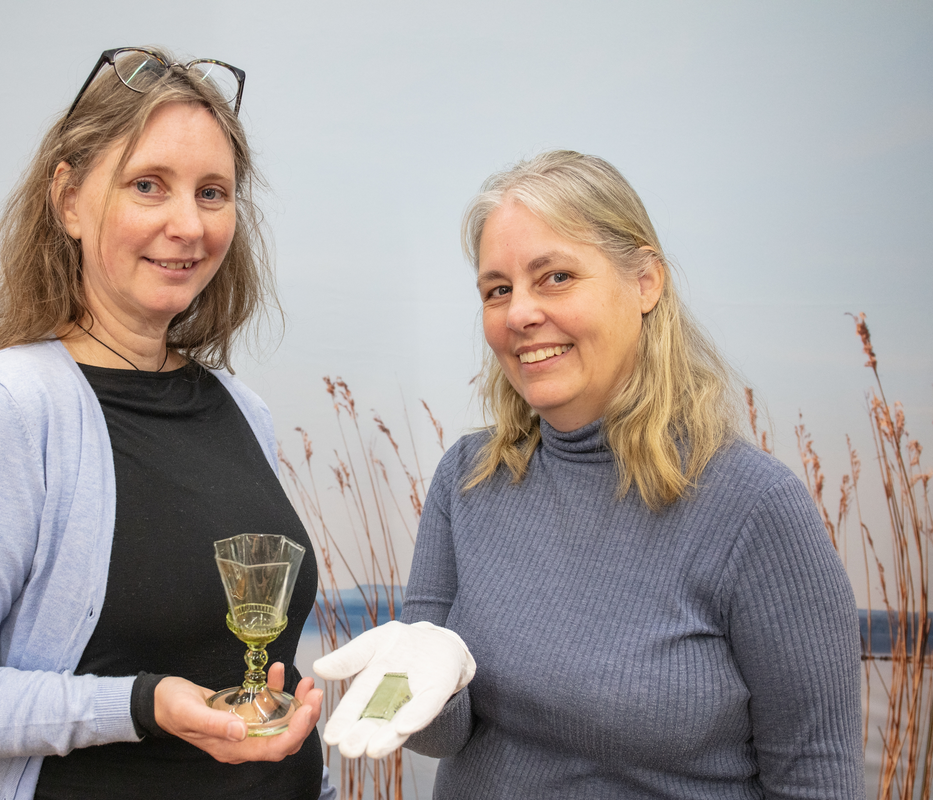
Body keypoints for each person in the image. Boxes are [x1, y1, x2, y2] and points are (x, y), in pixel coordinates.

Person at [0, 47, 334, 800]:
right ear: (69, 200)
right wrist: (140, 706)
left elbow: (266, 674)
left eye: (212, 193)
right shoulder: (9, 409)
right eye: (148, 185)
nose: (188, 224)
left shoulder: (242, 410)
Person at [314, 151, 865, 798]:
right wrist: (428, 675)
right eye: (497, 290)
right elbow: (444, 736)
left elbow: (816, 780)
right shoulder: (468, 479)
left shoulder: (754, 508)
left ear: (646, 283)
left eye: (555, 277)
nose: (519, 313)